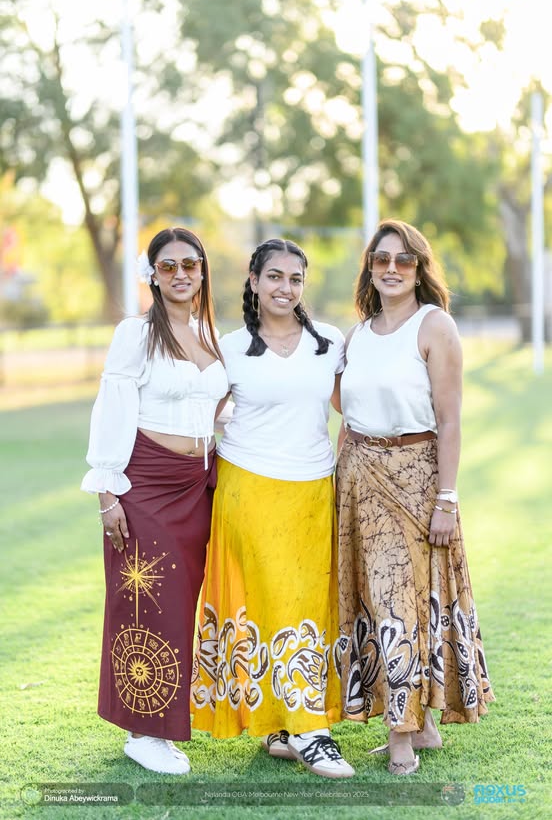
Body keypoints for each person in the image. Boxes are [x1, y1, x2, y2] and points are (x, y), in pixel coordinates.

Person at [190, 238, 355, 779]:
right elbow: (198, 416)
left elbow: (351, 407)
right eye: (275, 277)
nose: (286, 288)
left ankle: (287, 728)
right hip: (249, 489)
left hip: (313, 491)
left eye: (296, 279)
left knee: (308, 605)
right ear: (254, 281)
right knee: (269, 604)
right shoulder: (230, 347)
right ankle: (312, 732)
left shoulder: (328, 342)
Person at [336, 219, 494, 776]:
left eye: (404, 260)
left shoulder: (435, 325)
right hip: (358, 479)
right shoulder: (356, 334)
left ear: (419, 268)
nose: (392, 268)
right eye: (381, 259)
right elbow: (343, 409)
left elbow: (450, 422)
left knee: (404, 602)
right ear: (370, 269)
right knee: (381, 602)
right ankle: (421, 727)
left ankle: (401, 735)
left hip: (417, 476)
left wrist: (447, 500)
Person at [81, 227, 228, 774]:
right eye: (169, 266)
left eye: (190, 264)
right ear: (153, 275)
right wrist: (107, 491)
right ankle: (144, 732)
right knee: (148, 603)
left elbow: (216, 409)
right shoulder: (136, 334)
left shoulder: (211, 334)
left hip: (200, 483)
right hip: (145, 484)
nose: (181, 274)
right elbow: (111, 408)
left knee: (182, 602)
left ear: (203, 271)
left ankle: (165, 719)